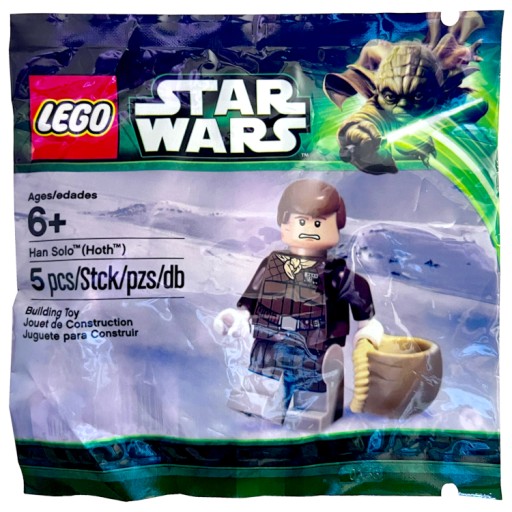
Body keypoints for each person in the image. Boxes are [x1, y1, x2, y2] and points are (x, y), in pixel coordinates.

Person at [215, 179, 383, 431]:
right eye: (301, 221)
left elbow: (362, 306)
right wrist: (238, 318)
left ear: (336, 227)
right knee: (258, 409)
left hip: (315, 352)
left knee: (311, 412)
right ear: (284, 225)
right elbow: (250, 301)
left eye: (319, 223)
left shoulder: (337, 276)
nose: (309, 229)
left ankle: (305, 428)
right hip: (268, 346)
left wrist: (368, 332)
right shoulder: (271, 265)